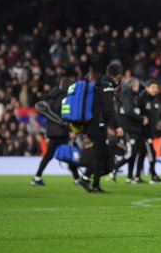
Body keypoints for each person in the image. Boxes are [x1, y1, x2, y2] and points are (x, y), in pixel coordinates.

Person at [31, 77, 91, 191]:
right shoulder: (65, 97)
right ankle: (77, 178)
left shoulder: (51, 96)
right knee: (72, 153)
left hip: (52, 131)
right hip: (62, 130)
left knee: (49, 156)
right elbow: (66, 114)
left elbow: (47, 112)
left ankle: (37, 177)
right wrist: (70, 129)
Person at [87, 63, 124, 193]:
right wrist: (117, 126)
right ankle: (93, 184)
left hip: (93, 124)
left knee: (101, 154)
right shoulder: (107, 88)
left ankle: (87, 178)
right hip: (97, 125)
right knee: (100, 155)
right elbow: (109, 110)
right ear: (118, 75)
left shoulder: (100, 85)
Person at [117, 77, 145, 183]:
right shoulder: (127, 94)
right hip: (128, 129)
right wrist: (141, 118)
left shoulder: (132, 96)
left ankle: (129, 177)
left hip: (133, 129)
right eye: (137, 86)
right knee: (130, 154)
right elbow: (129, 111)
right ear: (133, 86)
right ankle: (112, 170)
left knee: (133, 154)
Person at [138, 80, 161, 184]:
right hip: (143, 133)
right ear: (147, 87)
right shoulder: (141, 99)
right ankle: (153, 176)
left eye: (156, 88)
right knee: (152, 154)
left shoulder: (156, 101)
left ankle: (136, 176)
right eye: (153, 87)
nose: (155, 90)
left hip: (151, 133)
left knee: (142, 154)